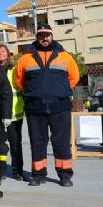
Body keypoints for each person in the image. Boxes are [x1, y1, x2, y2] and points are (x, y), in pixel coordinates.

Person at [14, 24, 79, 187]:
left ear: (52, 36)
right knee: (37, 142)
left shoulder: (65, 56)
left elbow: (74, 77)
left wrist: (59, 91)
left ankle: (64, 175)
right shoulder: (25, 58)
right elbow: (18, 80)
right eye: (41, 35)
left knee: (62, 142)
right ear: (37, 37)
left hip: (60, 106)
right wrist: (34, 92)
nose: (44, 38)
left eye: (47, 35)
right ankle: (38, 174)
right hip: (35, 108)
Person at [0, 44, 26, 180]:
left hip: (14, 114)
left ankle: (17, 171)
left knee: (15, 144)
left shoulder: (14, 70)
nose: (0, 54)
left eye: (3, 52)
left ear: (8, 55)